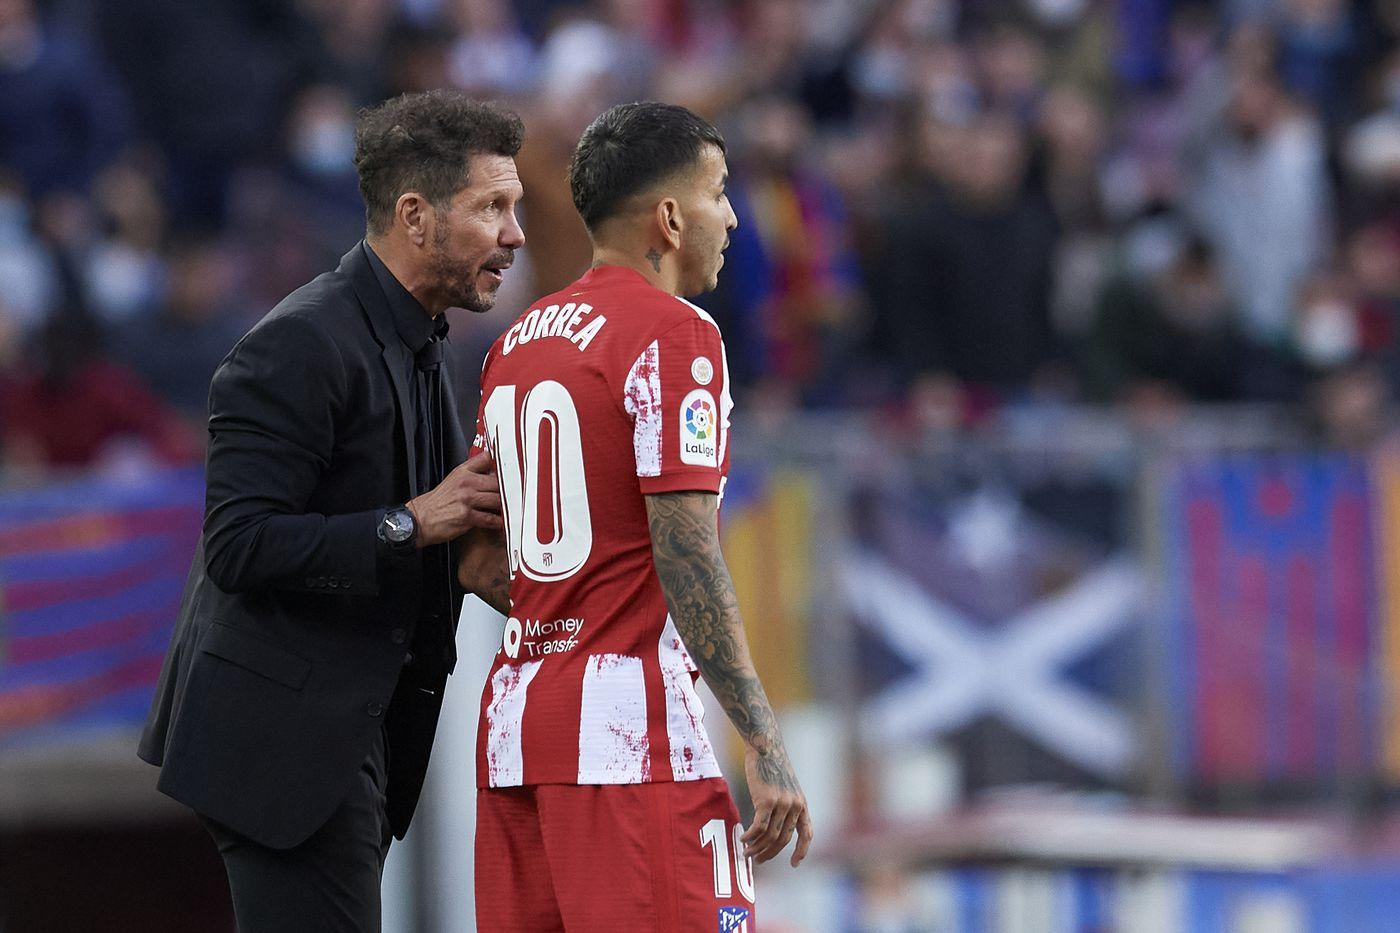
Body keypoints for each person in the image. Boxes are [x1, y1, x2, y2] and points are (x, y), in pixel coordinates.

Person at [138, 90, 524, 932]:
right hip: (281, 748)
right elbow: (239, 544)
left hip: (348, 740)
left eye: (515, 207)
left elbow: (402, 523)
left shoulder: (423, 340)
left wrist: (463, 565)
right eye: (492, 206)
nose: (515, 235)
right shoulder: (298, 342)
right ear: (416, 216)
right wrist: (414, 524)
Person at [457, 101, 813, 931]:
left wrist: (569, 610)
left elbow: (478, 560)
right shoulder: (675, 335)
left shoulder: (519, 340)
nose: (730, 216)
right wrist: (761, 738)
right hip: (633, 744)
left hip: (515, 733)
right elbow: (686, 550)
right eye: (719, 192)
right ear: (667, 216)